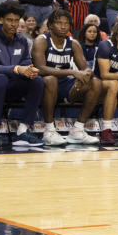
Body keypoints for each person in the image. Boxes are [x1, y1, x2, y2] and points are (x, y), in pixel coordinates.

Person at [0, 1, 45, 148]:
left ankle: (23, 130)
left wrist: (30, 70)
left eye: (16, 21)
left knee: (38, 81)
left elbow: (26, 62)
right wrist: (16, 69)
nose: (13, 24)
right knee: (0, 78)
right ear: (1, 20)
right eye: (9, 20)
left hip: (14, 85)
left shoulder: (22, 41)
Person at [32, 9, 101, 145]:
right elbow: (40, 68)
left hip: (64, 85)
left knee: (96, 82)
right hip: (42, 84)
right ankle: (49, 131)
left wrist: (86, 73)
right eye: (59, 23)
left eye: (66, 23)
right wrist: (71, 72)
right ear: (50, 25)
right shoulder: (42, 41)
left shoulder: (73, 43)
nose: (63, 26)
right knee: (50, 79)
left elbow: (85, 67)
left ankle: (78, 130)